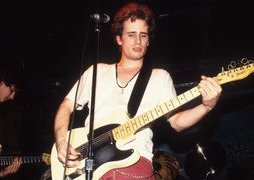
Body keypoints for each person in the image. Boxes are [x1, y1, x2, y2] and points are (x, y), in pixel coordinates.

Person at [53, 2, 222, 180]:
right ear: (119, 39)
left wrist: (206, 106)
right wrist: (62, 141)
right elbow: (66, 105)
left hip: (133, 162)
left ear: (149, 40)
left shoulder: (160, 77)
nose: (138, 41)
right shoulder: (96, 71)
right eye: (131, 34)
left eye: (143, 35)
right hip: (87, 166)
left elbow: (177, 122)